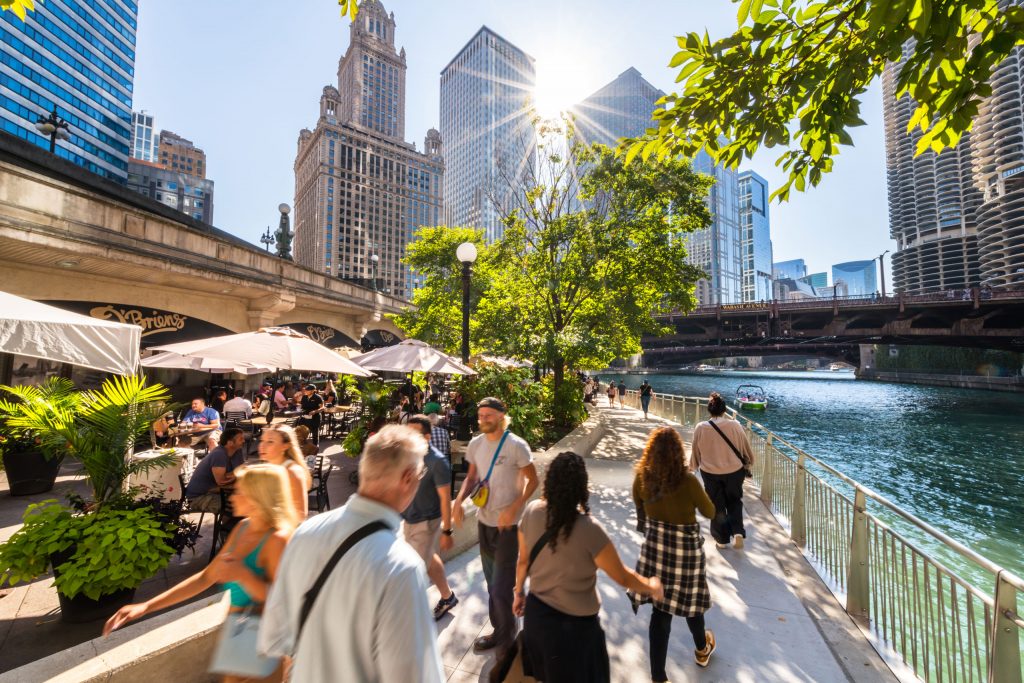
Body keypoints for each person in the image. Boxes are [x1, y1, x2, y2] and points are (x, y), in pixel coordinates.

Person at [259, 425, 445, 682]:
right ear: (407, 478)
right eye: (420, 473)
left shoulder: (305, 533)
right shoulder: (400, 567)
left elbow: (273, 637)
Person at [105, 463, 297, 682]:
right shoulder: (243, 527)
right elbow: (206, 577)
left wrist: (243, 575)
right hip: (239, 634)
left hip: (265, 643)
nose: (232, 497)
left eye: (239, 492)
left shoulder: (276, 539)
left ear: (258, 496)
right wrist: (147, 606)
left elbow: (281, 600)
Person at [514, 452, 664, 682]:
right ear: (581, 487)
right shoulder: (589, 530)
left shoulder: (532, 512)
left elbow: (522, 560)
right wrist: (652, 586)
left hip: (538, 620)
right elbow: (622, 577)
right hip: (576, 633)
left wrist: (518, 594)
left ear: (549, 481)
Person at [452, 397, 539, 659]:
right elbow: (472, 477)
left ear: (502, 416)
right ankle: (500, 628)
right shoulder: (477, 444)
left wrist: (516, 506)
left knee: (501, 586)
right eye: (481, 415)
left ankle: (507, 638)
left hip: (509, 528)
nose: (483, 420)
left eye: (489, 415)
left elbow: (533, 480)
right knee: (492, 584)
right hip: (485, 523)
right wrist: (458, 501)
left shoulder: (516, 446)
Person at [632, 426, 718, 678]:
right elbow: (710, 512)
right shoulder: (688, 481)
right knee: (692, 604)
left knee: (661, 612)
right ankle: (702, 649)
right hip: (686, 553)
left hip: (656, 550)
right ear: (678, 452)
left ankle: (658, 675)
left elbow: (639, 510)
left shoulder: (641, 478)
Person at [403, 416, 458, 620]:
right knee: (429, 559)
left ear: (427, 437)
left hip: (426, 521)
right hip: (409, 518)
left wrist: (447, 531)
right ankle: (448, 596)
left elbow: (445, 498)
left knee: (414, 567)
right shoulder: (409, 456)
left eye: (413, 433)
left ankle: (410, 612)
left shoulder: (437, 461)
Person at [690, 392, 755, 549]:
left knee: (716, 505)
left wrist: (693, 466)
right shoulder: (735, 425)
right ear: (724, 410)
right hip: (734, 471)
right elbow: (745, 448)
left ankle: (721, 540)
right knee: (734, 500)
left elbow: (695, 451)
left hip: (710, 472)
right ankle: (738, 532)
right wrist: (749, 462)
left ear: (709, 410)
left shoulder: (701, 428)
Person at [185, 428, 248, 513]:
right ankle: (224, 526)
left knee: (249, 499)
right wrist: (237, 474)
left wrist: (237, 474)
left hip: (216, 492)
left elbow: (242, 471)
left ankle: (226, 524)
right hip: (199, 498)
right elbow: (222, 481)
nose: (244, 441)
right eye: (241, 439)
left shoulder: (237, 450)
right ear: (230, 443)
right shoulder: (219, 454)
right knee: (242, 506)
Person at [258, 424, 312, 519]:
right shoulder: (268, 467)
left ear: (285, 446)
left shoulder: (292, 472)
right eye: (262, 440)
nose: (262, 446)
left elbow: (300, 515)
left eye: (270, 442)